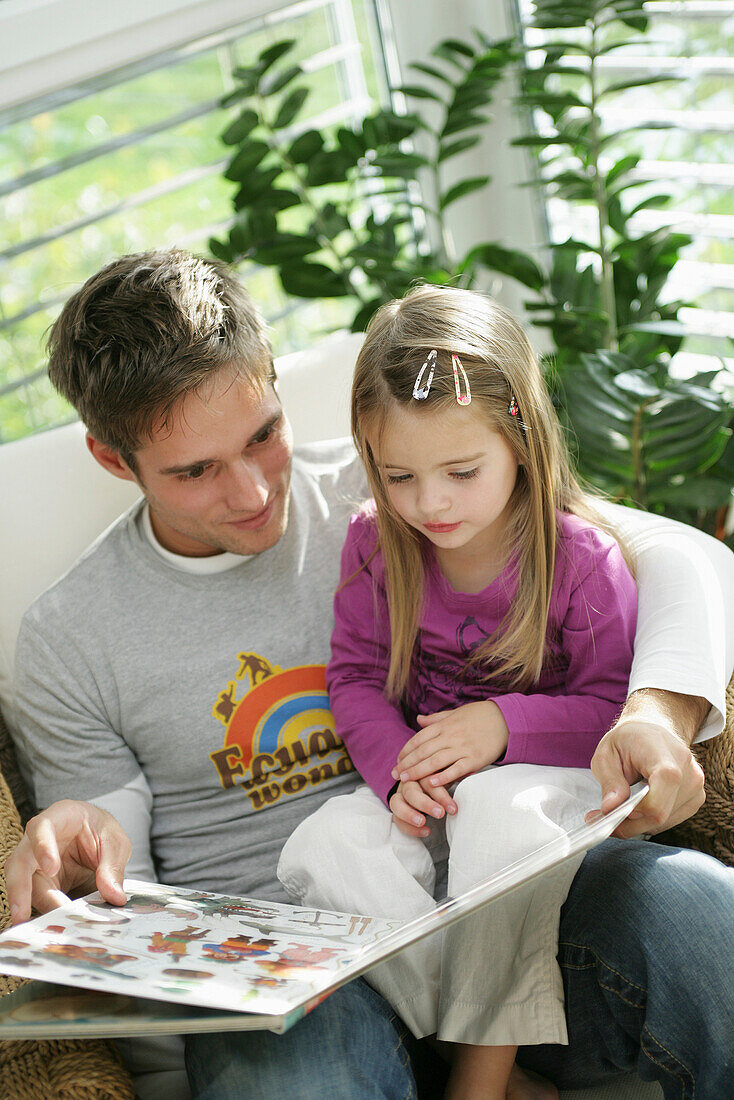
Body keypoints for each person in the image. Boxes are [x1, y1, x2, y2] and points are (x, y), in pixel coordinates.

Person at [2, 248, 733, 1100]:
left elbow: (676, 555)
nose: (249, 492)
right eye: (195, 471)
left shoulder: (400, 478)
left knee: (699, 916)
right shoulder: (67, 636)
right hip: (290, 977)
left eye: (262, 436)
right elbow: (115, 847)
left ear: (273, 382)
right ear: (112, 459)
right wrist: (81, 829)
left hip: (505, 898)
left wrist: (652, 714)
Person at [277, 285, 639, 1100]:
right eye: (399, 474)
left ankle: (479, 1079)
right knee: (324, 844)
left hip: (543, 793)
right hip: (433, 789)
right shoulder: (379, 541)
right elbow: (357, 677)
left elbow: (615, 710)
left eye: (461, 471)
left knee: (497, 819)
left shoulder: (579, 562)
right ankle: (499, 1069)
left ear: (521, 438)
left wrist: (501, 726)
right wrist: (398, 774)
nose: (429, 502)